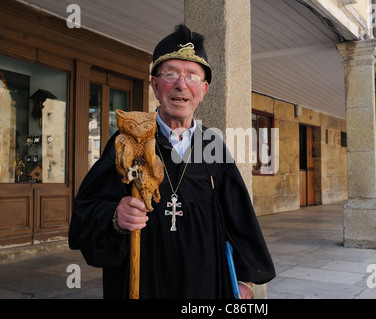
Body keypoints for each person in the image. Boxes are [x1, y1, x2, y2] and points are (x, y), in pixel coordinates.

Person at [69, 24, 275, 299]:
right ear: (155, 85)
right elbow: (85, 215)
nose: (181, 84)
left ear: (203, 90)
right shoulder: (128, 141)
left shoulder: (215, 148)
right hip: (144, 286)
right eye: (171, 74)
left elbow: (238, 221)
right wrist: (115, 217)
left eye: (192, 76)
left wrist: (244, 281)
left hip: (204, 288)